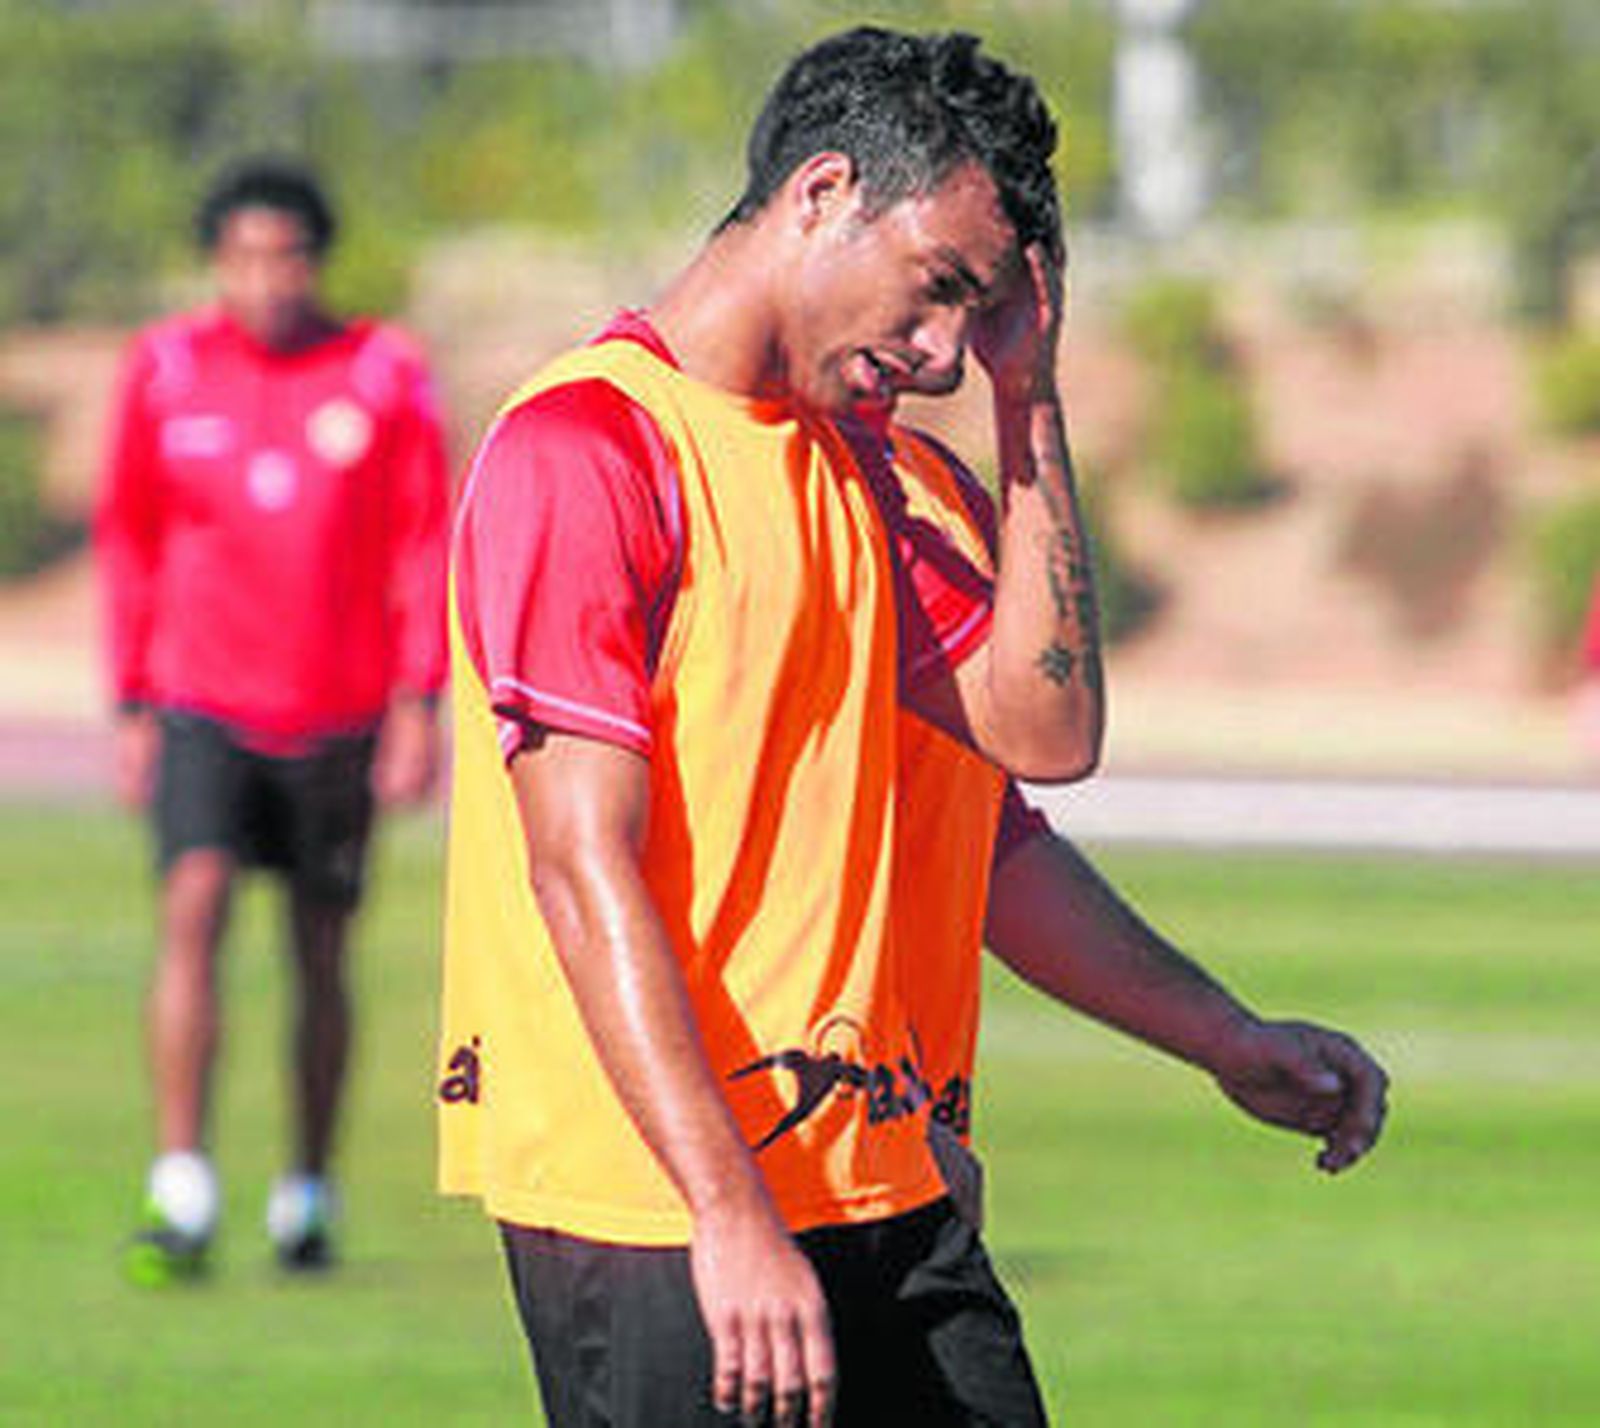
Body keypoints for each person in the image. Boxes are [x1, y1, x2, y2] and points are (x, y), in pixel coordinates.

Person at [439, 26, 1108, 1428]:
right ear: (821, 193)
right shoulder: (589, 449)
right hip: (659, 1208)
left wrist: (1030, 399)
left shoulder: (857, 472)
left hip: (877, 1182)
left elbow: (1041, 735)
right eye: (938, 288)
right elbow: (579, 864)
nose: (943, 354)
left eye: (976, 311)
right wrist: (729, 1212)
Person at [855, 403, 1387, 1270]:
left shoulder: (934, 487)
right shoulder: (656, 451)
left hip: (896, 1183)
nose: (951, 343)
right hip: (728, 1205)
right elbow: (638, 867)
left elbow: (987, 838)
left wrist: (1222, 1034)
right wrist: (831, 1139)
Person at [95, 158, 450, 1284]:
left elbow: (423, 540)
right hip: (199, 699)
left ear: (315, 261)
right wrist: (131, 701)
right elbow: (128, 537)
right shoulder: (165, 370)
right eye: (245, 257)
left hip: (338, 712)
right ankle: (182, 1184)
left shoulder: (382, 372)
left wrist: (418, 702)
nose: (266, 278)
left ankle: (307, 1190)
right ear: (217, 261)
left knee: (321, 950)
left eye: (286, 256)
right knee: (193, 904)